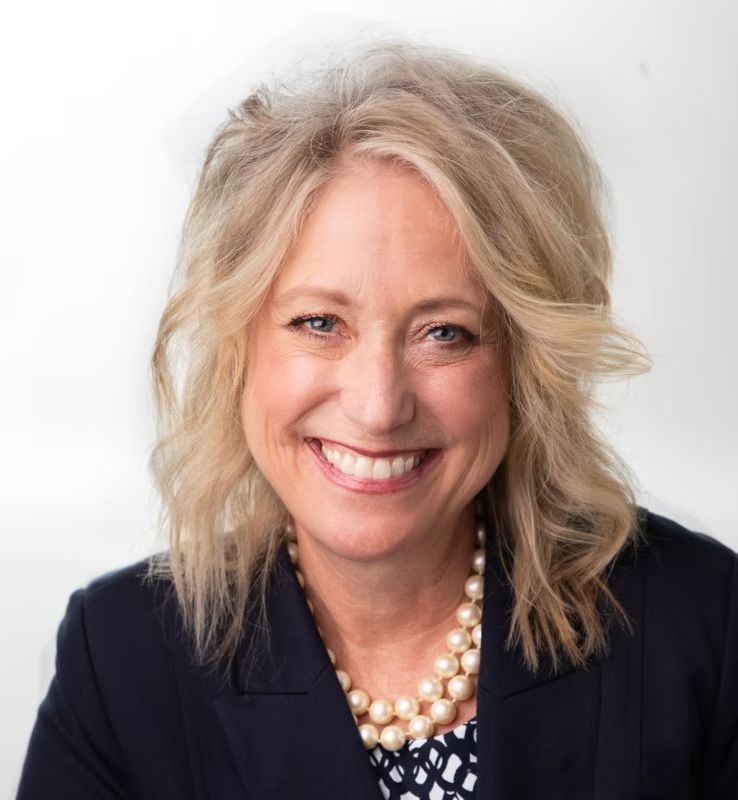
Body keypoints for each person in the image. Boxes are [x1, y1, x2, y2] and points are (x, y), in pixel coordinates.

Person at [16, 40, 738, 800]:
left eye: (444, 333)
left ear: (525, 363)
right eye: (320, 322)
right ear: (241, 348)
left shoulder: (700, 626)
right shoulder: (122, 660)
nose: (378, 405)